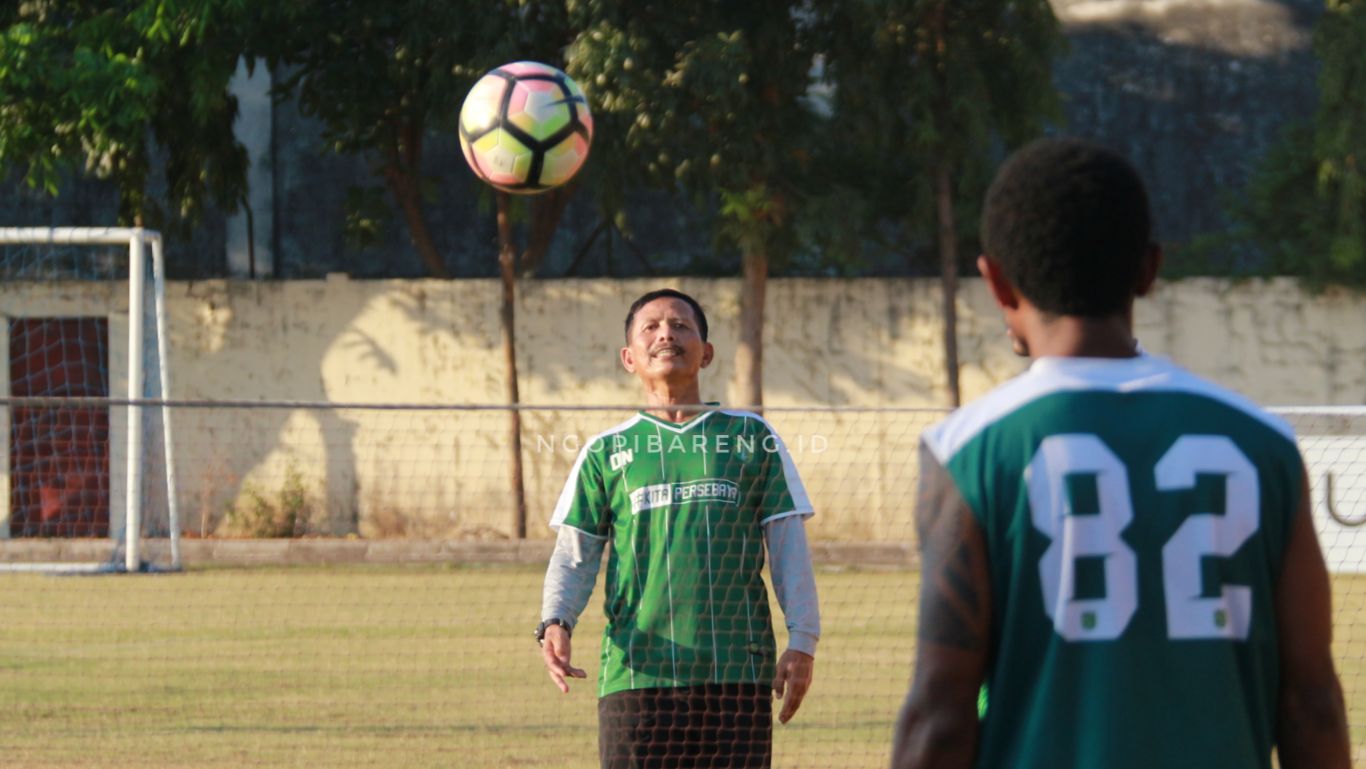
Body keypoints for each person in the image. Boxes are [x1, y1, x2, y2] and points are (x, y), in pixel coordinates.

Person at [891, 138, 1350, 769]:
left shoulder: (967, 451)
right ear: (1148, 269)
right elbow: (1312, 704)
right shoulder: (1263, 445)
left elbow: (941, 718)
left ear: (995, 279)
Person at [538, 288, 820, 769]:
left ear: (706, 352)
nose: (666, 333)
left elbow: (788, 546)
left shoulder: (753, 438)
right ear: (629, 357)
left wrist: (803, 640)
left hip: (737, 671)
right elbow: (574, 555)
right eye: (651, 327)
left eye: (681, 325)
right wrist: (555, 621)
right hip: (637, 673)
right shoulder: (606, 452)